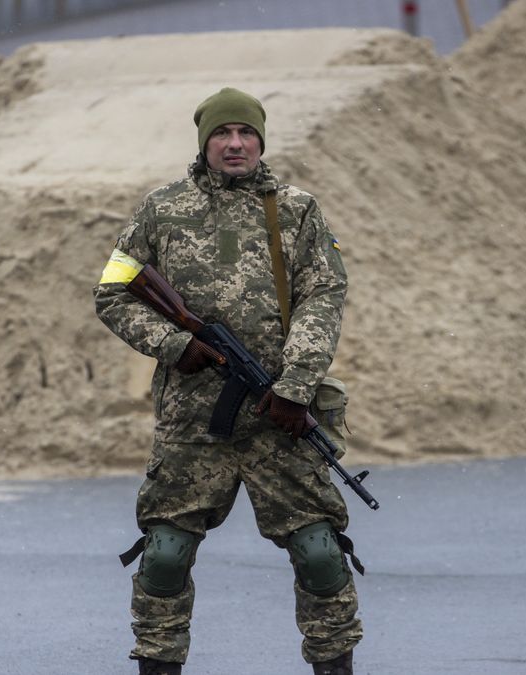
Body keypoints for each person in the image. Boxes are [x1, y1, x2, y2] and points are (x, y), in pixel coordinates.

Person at [94, 87, 363, 675]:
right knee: (165, 557)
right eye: (222, 133)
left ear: (261, 141)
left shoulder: (297, 210)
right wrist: (175, 343)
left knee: (320, 555)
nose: (234, 143)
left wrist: (296, 386)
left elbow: (325, 295)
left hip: (280, 418)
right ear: (204, 142)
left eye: (246, 133)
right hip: (192, 423)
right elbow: (112, 291)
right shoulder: (160, 209)